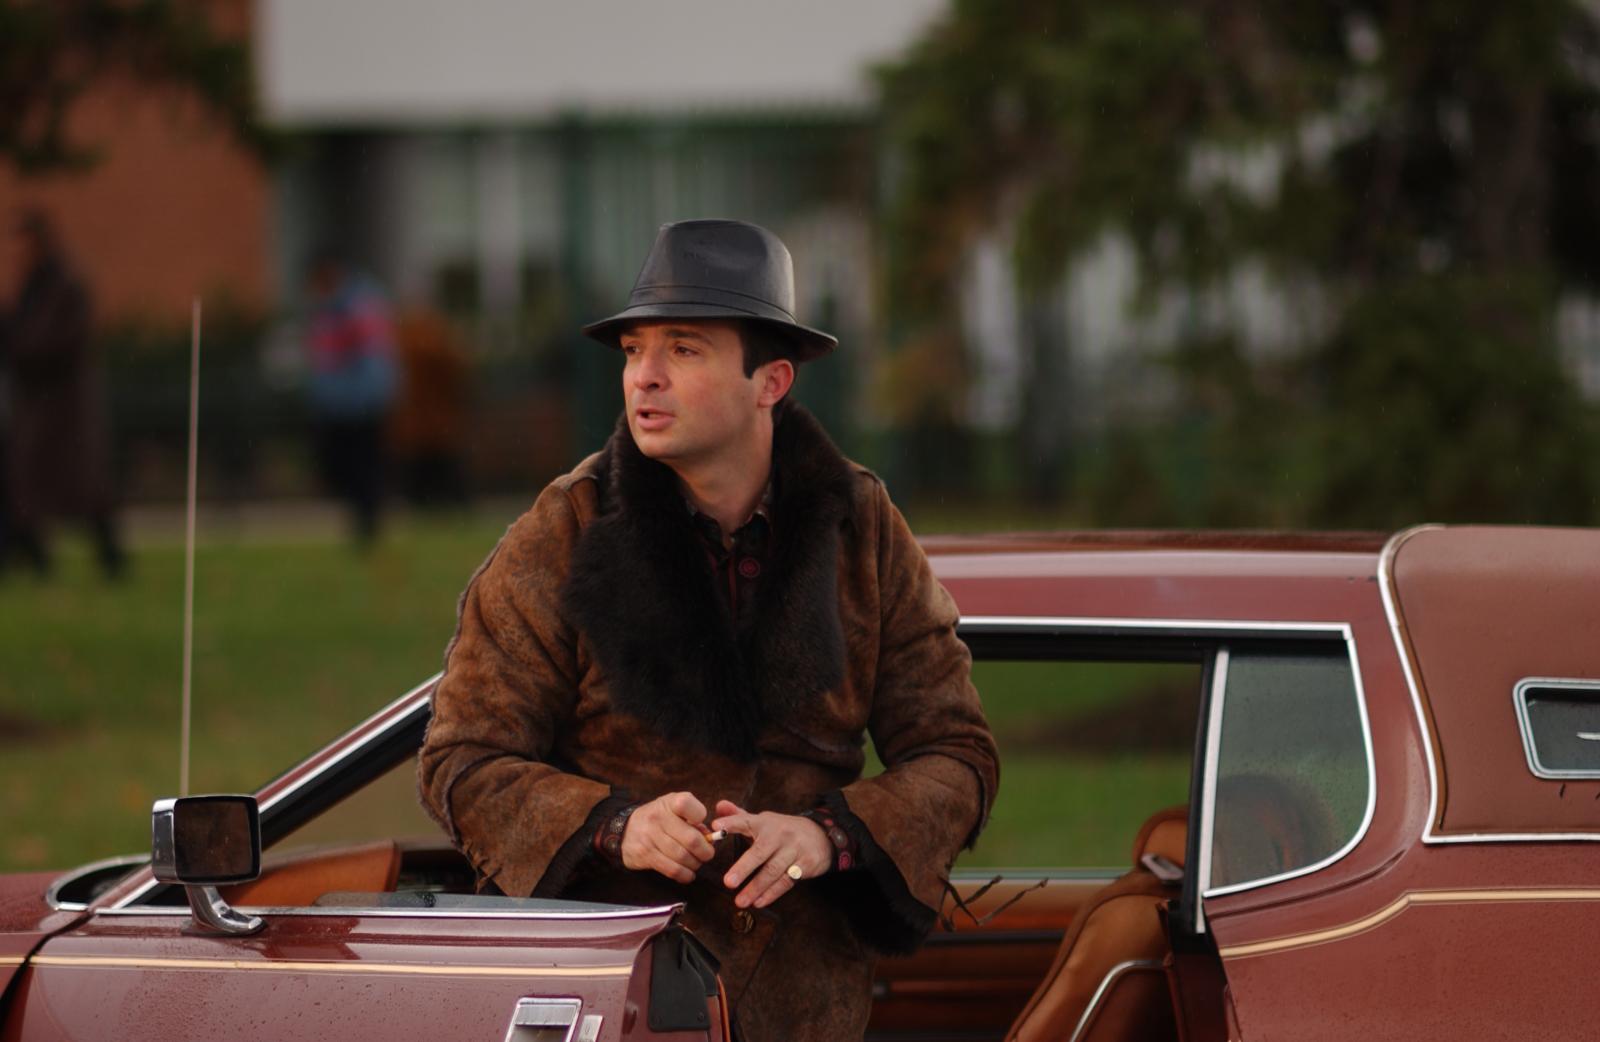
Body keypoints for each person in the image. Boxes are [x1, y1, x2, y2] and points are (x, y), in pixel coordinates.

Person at [418, 219, 998, 1042]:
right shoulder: (566, 530)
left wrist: (828, 835)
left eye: (683, 350)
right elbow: (463, 759)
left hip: (807, 1009)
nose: (644, 377)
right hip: (618, 1004)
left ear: (771, 381)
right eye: (633, 351)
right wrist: (617, 827)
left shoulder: (860, 526)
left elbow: (958, 754)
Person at [0, 209, 123, 579]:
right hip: (36, 407)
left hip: (65, 409)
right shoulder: (30, 287)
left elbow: (54, 341)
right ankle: (34, 560)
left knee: (82, 490)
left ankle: (110, 559)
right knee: (24, 487)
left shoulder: (65, 286)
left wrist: (16, 343)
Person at [303, 249, 398, 547]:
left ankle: (367, 525)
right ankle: (362, 521)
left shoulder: (359, 307)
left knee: (363, 467)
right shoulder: (326, 308)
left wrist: (370, 397)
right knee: (341, 467)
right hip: (336, 404)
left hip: (359, 403)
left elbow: (373, 358)